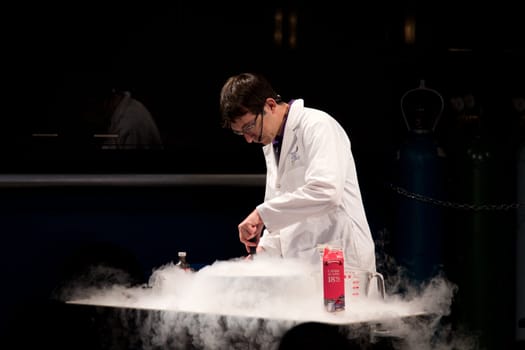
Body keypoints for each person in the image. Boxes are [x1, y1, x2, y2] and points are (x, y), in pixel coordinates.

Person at [219, 72, 376, 272]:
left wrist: (261, 215)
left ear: (270, 105)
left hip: (343, 262)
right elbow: (283, 209)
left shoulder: (317, 125)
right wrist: (264, 251)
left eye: (249, 126)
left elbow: (326, 192)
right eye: (241, 133)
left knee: (341, 304)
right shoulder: (272, 145)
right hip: (306, 267)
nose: (248, 139)